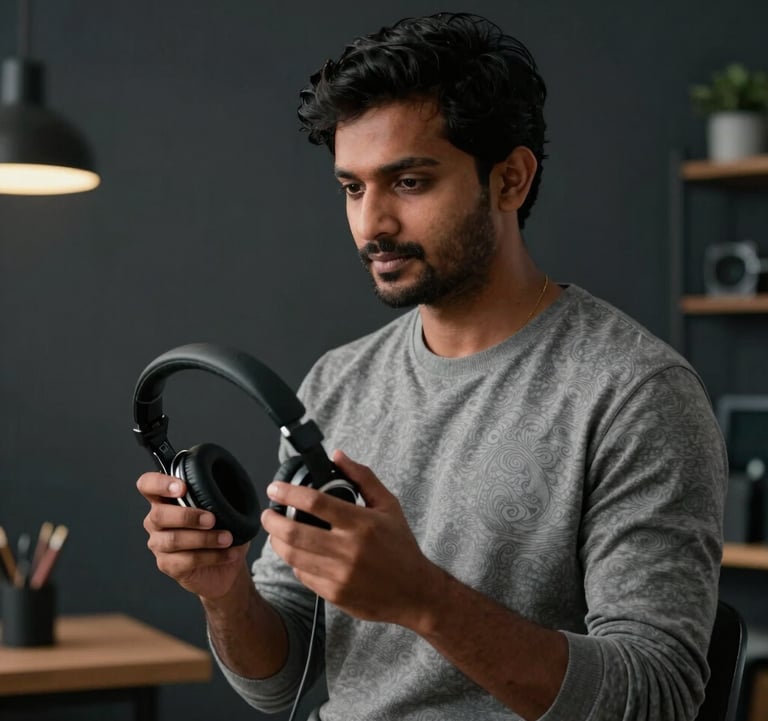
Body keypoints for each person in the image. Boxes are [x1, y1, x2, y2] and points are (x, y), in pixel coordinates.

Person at [136, 12, 727, 721]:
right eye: (352, 188)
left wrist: (422, 597)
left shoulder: (636, 393)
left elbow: (658, 699)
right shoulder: (336, 382)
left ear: (510, 180)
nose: (371, 223)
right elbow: (279, 677)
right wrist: (225, 591)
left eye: (409, 182)